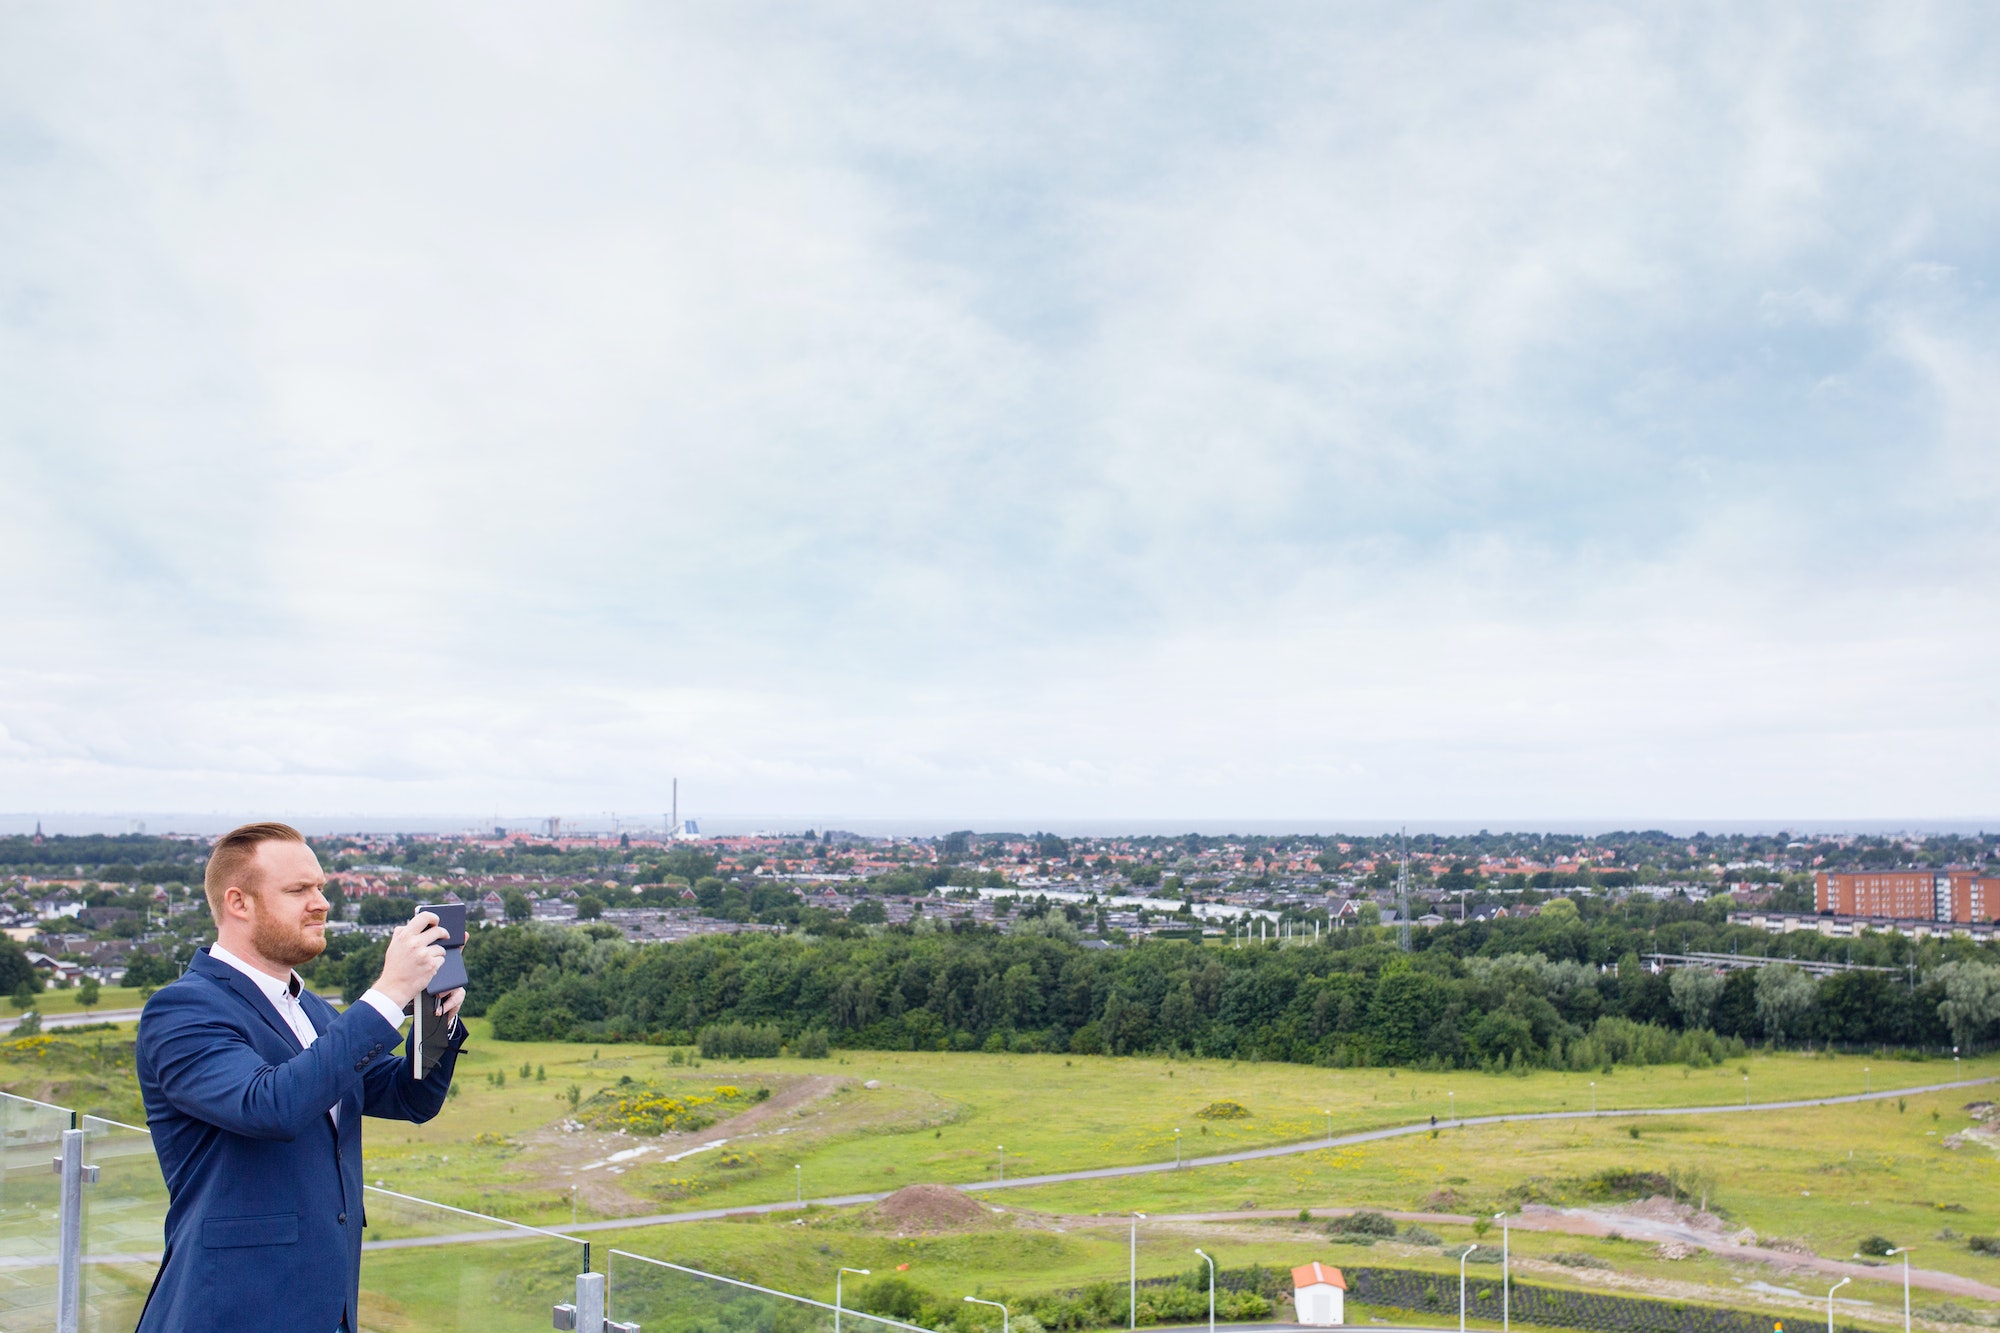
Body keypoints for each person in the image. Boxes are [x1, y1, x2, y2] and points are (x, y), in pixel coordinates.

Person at [135, 822, 469, 1333]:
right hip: (230, 1310)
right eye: (298, 890)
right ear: (238, 903)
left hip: (328, 1309)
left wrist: (434, 1018)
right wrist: (386, 993)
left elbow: (408, 1098)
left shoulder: (312, 1012)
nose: (321, 903)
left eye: (320, 887)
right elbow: (270, 1105)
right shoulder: (183, 1010)